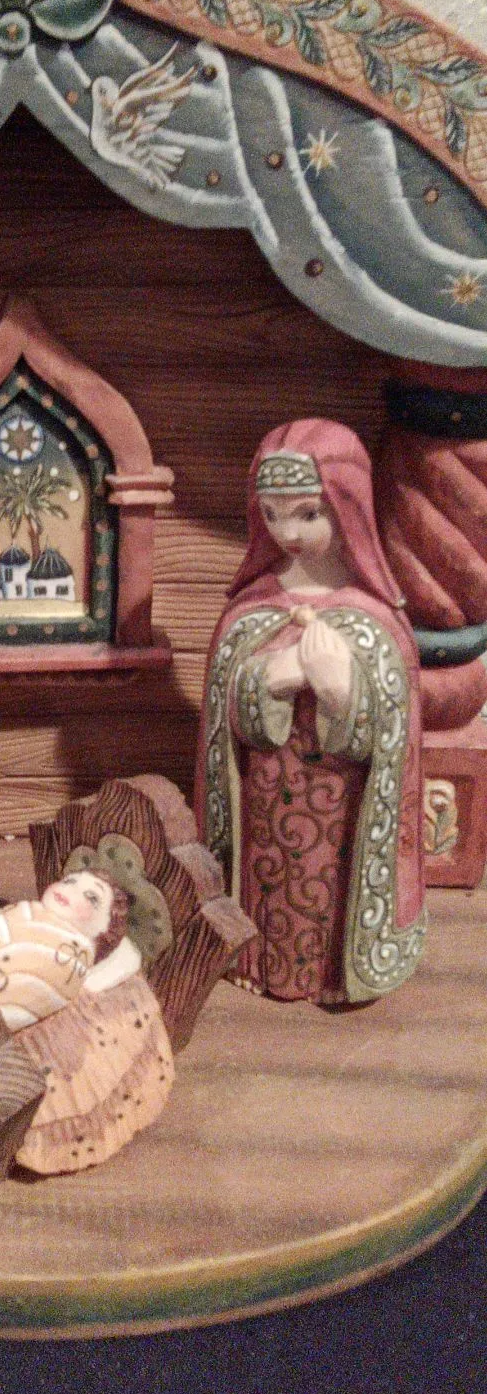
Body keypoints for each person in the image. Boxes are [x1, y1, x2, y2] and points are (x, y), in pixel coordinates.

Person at [196, 418, 425, 1006]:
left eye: (307, 513)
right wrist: (270, 679)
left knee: (329, 887)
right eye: (272, 515)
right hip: (266, 803)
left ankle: (335, 973)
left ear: (346, 508)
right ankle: (259, 961)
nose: (288, 532)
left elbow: (394, 733)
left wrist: (343, 692)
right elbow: (224, 720)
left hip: (343, 808)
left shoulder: (374, 615)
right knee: (272, 883)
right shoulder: (254, 604)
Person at [0, 868, 139, 1030]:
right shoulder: (23, 911)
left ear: (104, 928)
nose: (71, 890)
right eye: (70, 881)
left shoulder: (71, 957)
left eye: (92, 897)